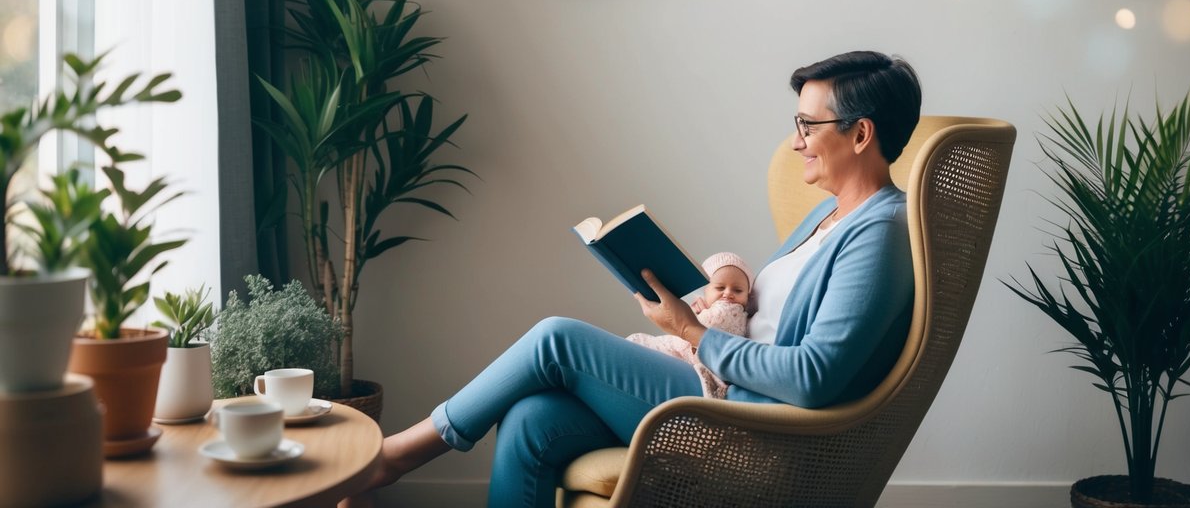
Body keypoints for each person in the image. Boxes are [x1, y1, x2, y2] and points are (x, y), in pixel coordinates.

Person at [352, 50, 922, 508]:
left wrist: (692, 332)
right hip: (721, 388)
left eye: (807, 124)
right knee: (532, 419)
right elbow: (773, 323)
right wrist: (714, 298)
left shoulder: (878, 232)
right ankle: (398, 456)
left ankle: (397, 456)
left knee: (557, 338)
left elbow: (815, 377)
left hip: (753, 424)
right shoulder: (825, 216)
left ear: (861, 134)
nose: (796, 140)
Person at [626, 251, 755, 398]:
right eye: (720, 288)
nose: (728, 294)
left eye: (738, 290)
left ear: (748, 297)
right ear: (705, 291)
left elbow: (713, 325)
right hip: (683, 357)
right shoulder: (704, 308)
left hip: (687, 361)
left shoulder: (730, 311)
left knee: (636, 348)